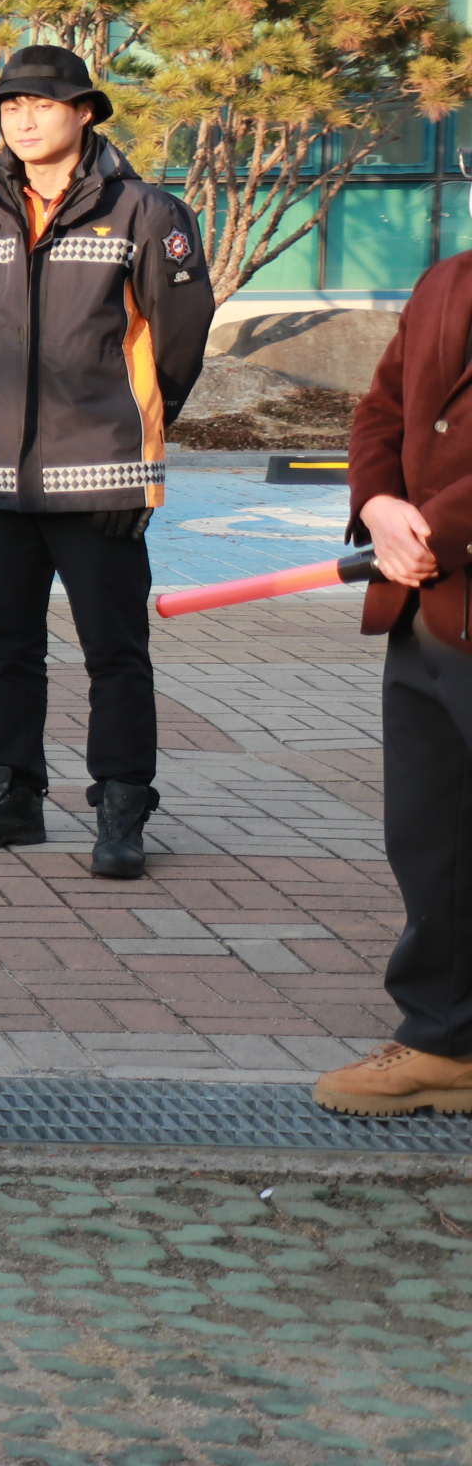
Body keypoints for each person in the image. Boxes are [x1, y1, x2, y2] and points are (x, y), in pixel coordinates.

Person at [0, 45, 213, 879]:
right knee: (5, 648)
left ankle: (122, 804)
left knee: (114, 653)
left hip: (101, 477)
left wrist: (134, 449)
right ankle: (12, 796)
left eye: (41, 104)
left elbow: (178, 343)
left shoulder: (145, 212)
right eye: (8, 106)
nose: (21, 117)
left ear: (85, 111)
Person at [316, 247, 472, 1115]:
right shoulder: (448, 279)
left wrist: (436, 529)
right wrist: (378, 504)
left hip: (442, 564)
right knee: (430, 834)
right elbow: (381, 407)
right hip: (429, 611)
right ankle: (444, 1040)